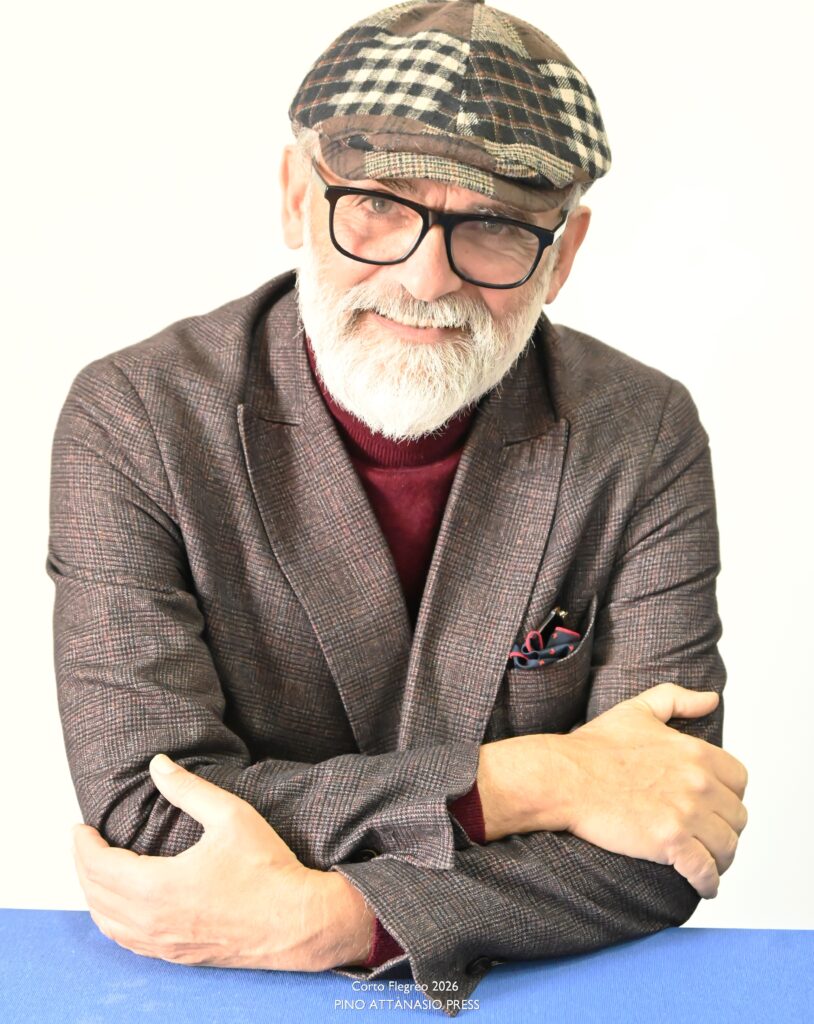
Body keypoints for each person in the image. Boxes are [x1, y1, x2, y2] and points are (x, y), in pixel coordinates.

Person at [48, 0, 748, 1016]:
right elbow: (149, 813)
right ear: (297, 197)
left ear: (564, 255)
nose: (425, 278)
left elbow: (671, 836)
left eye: (495, 226)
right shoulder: (137, 417)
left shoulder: (642, 434)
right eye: (377, 203)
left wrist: (338, 919)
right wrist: (537, 781)